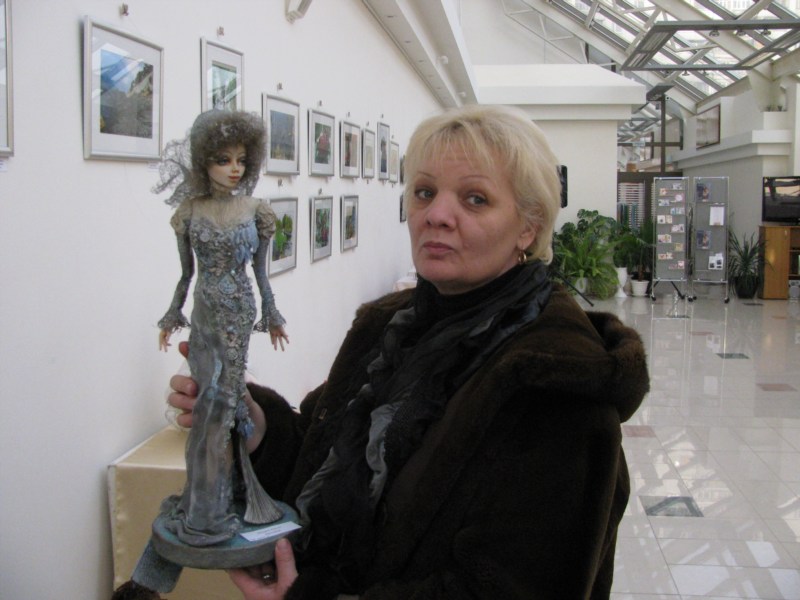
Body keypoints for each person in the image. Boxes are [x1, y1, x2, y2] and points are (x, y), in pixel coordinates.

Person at [166, 104, 649, 599]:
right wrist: (255, 425)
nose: (436, 215)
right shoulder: (389, 326)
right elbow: (321, 456)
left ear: (528, 226)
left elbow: (515, 585)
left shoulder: (556, 376)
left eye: (475, 199)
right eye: (424, 192)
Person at [113, 110, 290, 600]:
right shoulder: (189, 213)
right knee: (208, 406)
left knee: (223, 404)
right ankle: (206, 502)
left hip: (239, 311)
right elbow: (186, 275)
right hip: (205, 313)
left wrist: (272, 313)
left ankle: (214, 506)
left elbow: (261, 274)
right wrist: (172, 314)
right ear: (203, 162)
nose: (234, 169)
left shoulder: (257, 211)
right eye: (222, 159)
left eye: (241, 160)